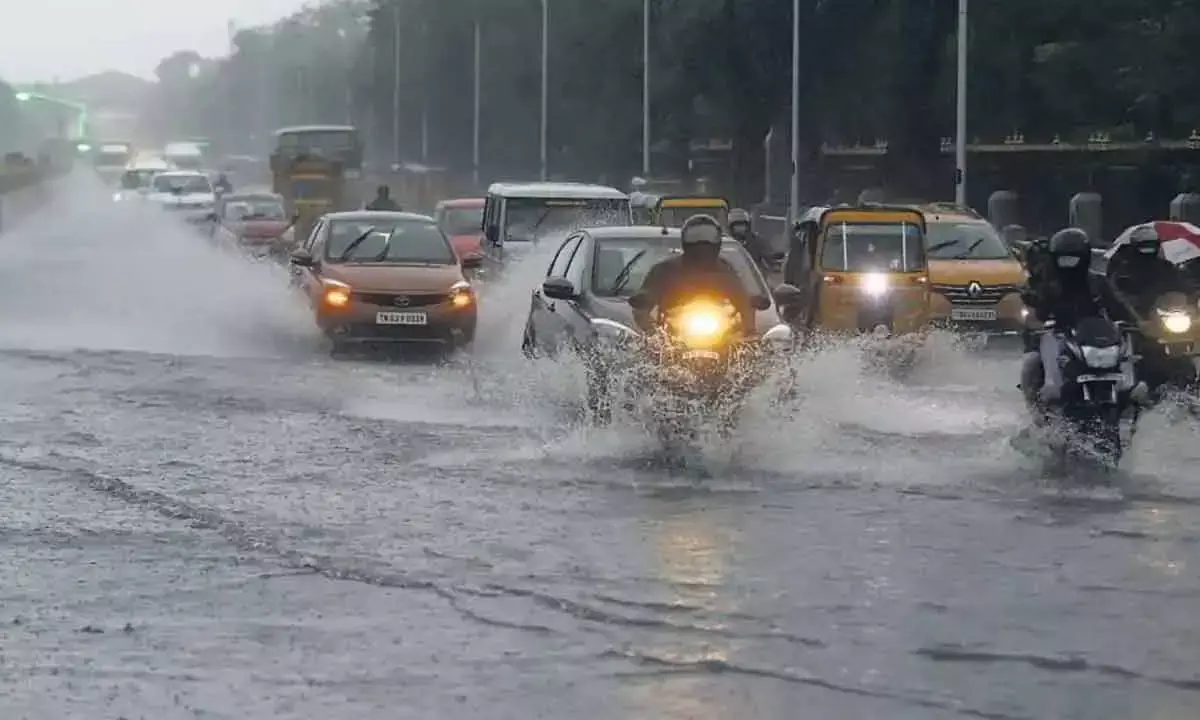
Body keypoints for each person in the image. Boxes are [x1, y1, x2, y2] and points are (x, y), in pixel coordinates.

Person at [1020, 227, 1107, 403]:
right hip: (1061, 334)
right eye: (1064, 259)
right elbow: (1040, 312)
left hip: (1092, 338)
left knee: (1123, 349)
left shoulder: (1097, 282)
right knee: (1036, 357)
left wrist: (1137, 322)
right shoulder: (1049, 285)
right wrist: (1038, 308)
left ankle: (1129, 387)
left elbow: (1118, 306)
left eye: (1073, 258)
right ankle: (1049, 388)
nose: (1069, 264)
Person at [632, 214, 754, 337]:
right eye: (695, 238)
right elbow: (642, 306)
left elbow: (743, 301)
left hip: (721, 335)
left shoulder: (726, 270)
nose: (702, 244)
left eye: (708, 238)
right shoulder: (665, 270)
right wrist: (653, 332)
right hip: (672, 336)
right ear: (685, 241)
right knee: (645, 352)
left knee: (749, 352)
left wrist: (746, 330)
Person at [1104, 224, 1193, 322]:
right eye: (1144, 244)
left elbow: (1180, 284)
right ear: (1135, 245)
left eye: (1151, 244)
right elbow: (1117, 293)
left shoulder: (1166, 266)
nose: (1148, 248)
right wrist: (1129, 298)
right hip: (1139, 316)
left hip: (1167, 314)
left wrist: (1192, 294)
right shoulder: (1125, 269)